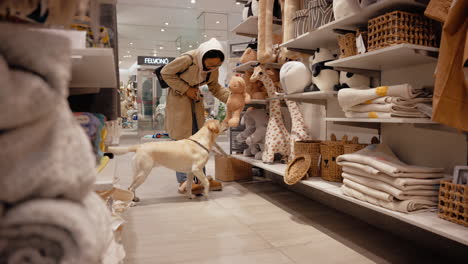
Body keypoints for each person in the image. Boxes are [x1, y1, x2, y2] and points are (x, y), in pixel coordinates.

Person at [161, 38, 229, 195]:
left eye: (217, 65)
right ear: (202, 58)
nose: (213, 68)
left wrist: (232, 98)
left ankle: (199, 179)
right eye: (211, 65)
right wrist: (186, 89)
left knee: (198, 141)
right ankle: (185, 181)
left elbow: (215, 87)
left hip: (195, 101)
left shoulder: (213, 67)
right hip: (179, 101)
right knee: (181, 141)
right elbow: (166, 73)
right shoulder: (188, 59)